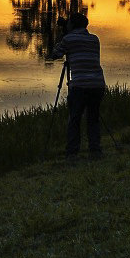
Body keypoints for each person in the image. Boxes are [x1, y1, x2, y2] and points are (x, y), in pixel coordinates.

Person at [52, 11, 105, 159]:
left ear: (72, 25)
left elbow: (55, 53)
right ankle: (95, 151)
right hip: (97, 84)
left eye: (68, 22)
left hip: (79, 85)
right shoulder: (95, 39)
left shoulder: (68, 39)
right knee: (93, 118)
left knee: (74, 119)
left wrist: (62, 35)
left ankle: (72, 154)